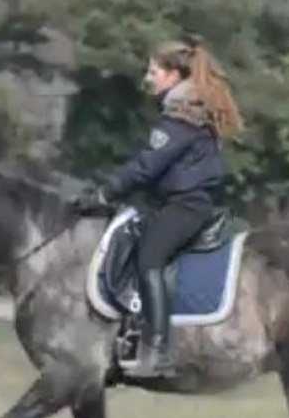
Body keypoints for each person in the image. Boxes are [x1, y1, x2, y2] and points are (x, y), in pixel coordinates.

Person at [73, 37, 243, 377]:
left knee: (150, 257)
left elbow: (146, 167)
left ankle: (159, 350)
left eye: (153, 72)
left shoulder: (181, 118)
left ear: (174, 75)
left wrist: (105, 193)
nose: (147, 78)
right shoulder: (188, 113)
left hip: (185, 205)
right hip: (179, 202)